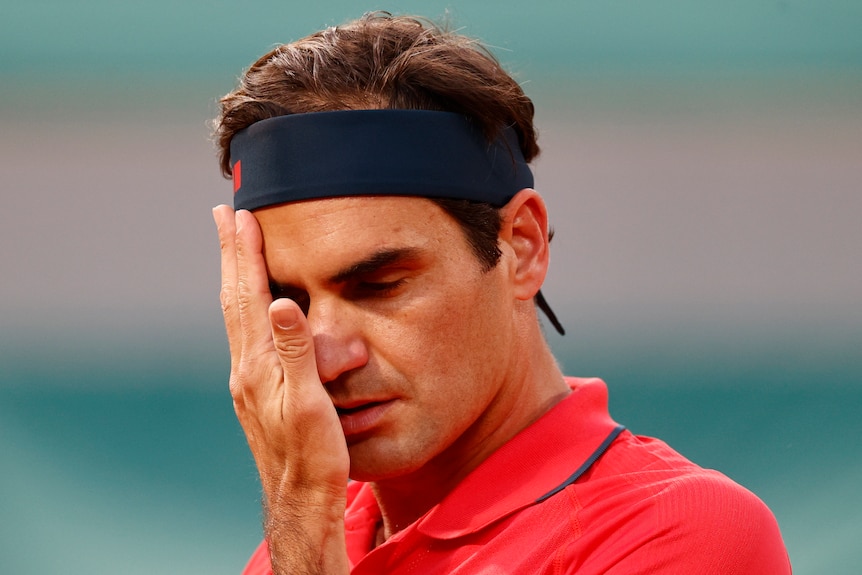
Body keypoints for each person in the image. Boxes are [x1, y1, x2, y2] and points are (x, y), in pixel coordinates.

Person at [211, 12, 791, 575]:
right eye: (289, 303)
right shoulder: (305, 533)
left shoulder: (686, 532)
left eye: (378, 286)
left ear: (522, 246)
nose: (327, 358)